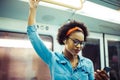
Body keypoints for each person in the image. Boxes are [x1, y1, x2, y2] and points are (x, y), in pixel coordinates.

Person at [27, 0, 109, 80]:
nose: (79, 46)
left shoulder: (88, 63)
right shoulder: (53, 59)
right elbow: (33, 36)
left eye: (81, 43)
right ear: (64, 40)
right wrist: (32, 9)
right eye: (75, 42)